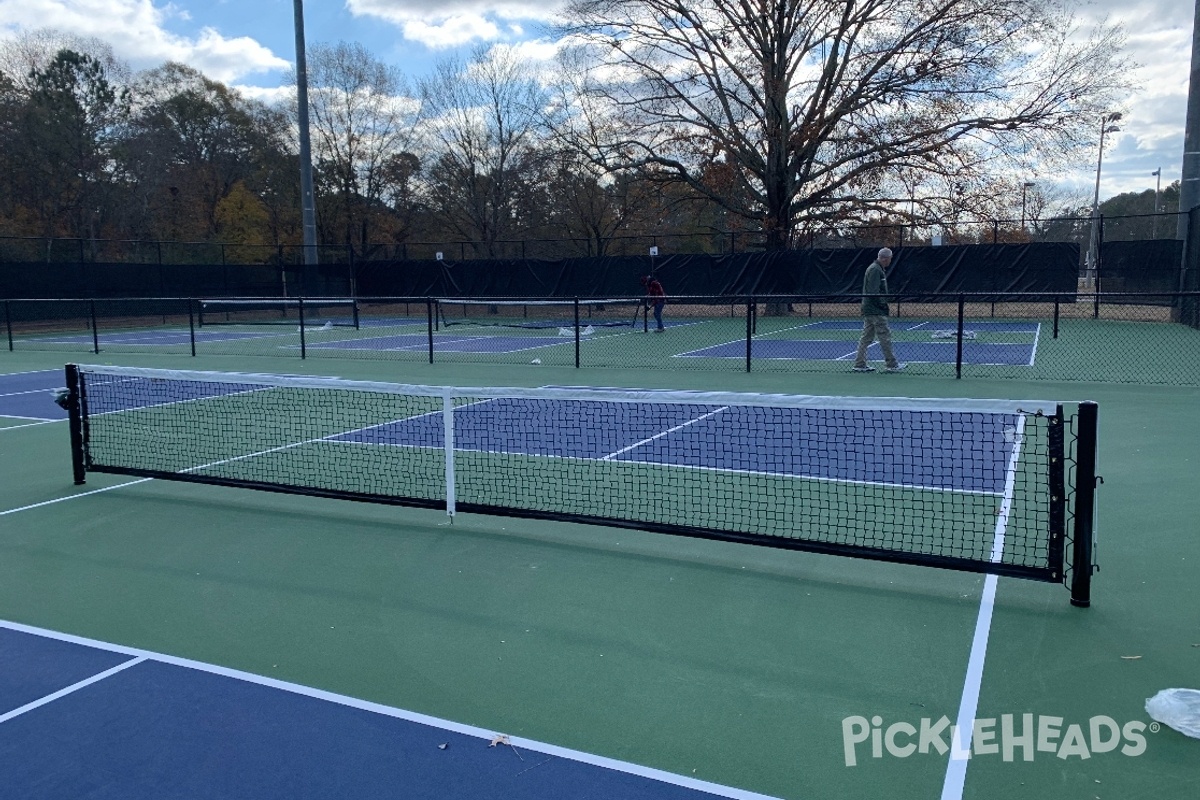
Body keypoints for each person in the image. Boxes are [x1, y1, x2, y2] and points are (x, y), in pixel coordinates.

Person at [853, 248, 906, 372]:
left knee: (866, 337)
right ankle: (891, 364)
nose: (890, 261)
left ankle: (859, 364)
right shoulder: (875, 270)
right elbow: (873, 292)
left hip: (871, 308)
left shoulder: (876, 269)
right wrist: (883, 304)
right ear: (885, 258)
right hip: (875, 310)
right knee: (884, 337)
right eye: (890, 259)